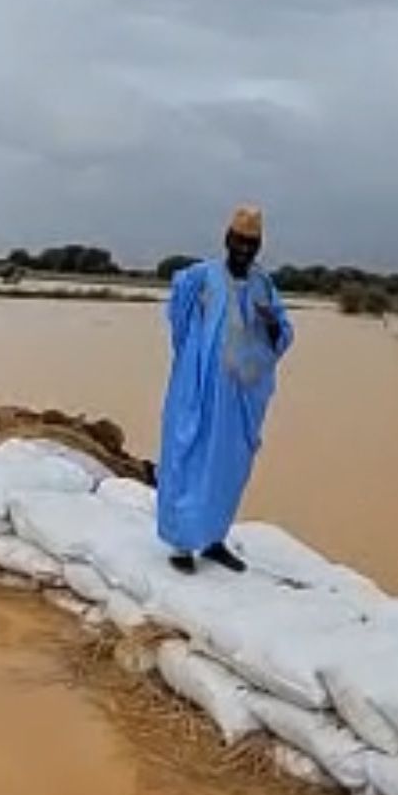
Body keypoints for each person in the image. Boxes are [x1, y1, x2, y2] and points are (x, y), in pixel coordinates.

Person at [156, 206, 293, 574]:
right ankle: (182, 544)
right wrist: (194, 360)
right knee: (188, 456)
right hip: (198, 391)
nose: (245, 249)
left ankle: (214, 539)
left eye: (252, 243)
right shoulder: (199, 278)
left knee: (227, 467)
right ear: (227, 240)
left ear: (259, 245)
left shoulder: (264, 285)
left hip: (238, 399)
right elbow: (179, 323)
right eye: (239, 241)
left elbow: (282, 333)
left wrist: (270, 324)